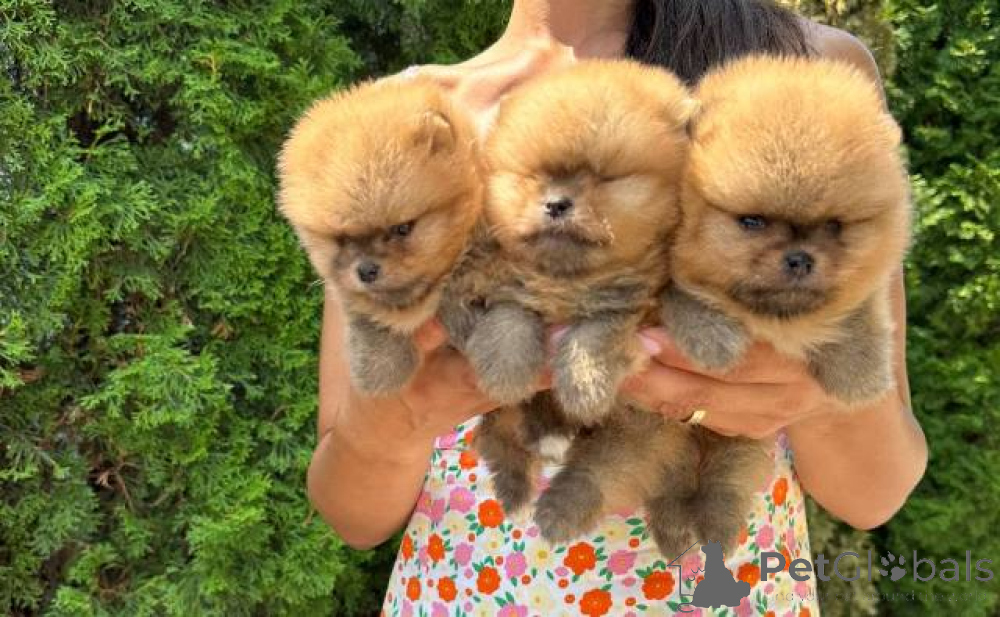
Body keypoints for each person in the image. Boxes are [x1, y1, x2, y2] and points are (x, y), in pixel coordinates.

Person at [306, 1, 928, 614]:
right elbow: (351, 515)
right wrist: (397, 420)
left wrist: (815, 398)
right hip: (467, 590)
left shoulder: (804, 70)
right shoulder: (400, 120)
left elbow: (874, 492)